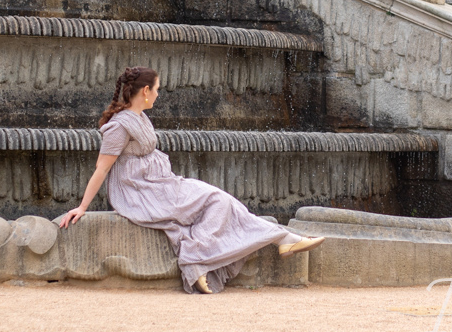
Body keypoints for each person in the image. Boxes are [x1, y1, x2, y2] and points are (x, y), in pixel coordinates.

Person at [60, 66, 324, 294]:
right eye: (157, 89)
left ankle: (278, 241)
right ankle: (272, 241)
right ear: (145, 91)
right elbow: (101, 168)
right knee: (216, 199)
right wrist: (82, 207)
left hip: (160, 183)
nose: (158, 94)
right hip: (139, 191)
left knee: (220, 201)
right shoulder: (120, 126)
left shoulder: (140, 117)